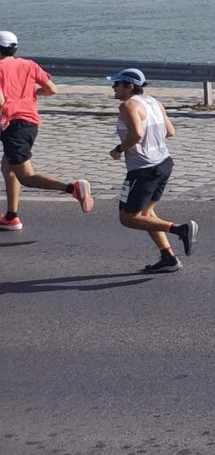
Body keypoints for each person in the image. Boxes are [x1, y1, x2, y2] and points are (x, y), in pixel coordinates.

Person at [1, 30, 93, 230]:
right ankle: (11, 217)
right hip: (29, 123)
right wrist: (31, 94)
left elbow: (0, 101)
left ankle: (72, 188)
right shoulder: (29, 65)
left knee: (26, 176)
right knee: (8, 168)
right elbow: (52, 89)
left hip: (13, 125)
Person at [109, 68, 196, 273]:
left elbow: (136, 135)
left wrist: (118, 149)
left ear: (129, 86)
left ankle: (180, 230)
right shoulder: (154, 102)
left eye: (116, 84)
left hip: (143, 170)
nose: (113, 87)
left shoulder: (128, 105)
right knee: (146, 214)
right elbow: (170, 131)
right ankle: (168, 258)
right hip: (163, 163)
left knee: (128, 218)